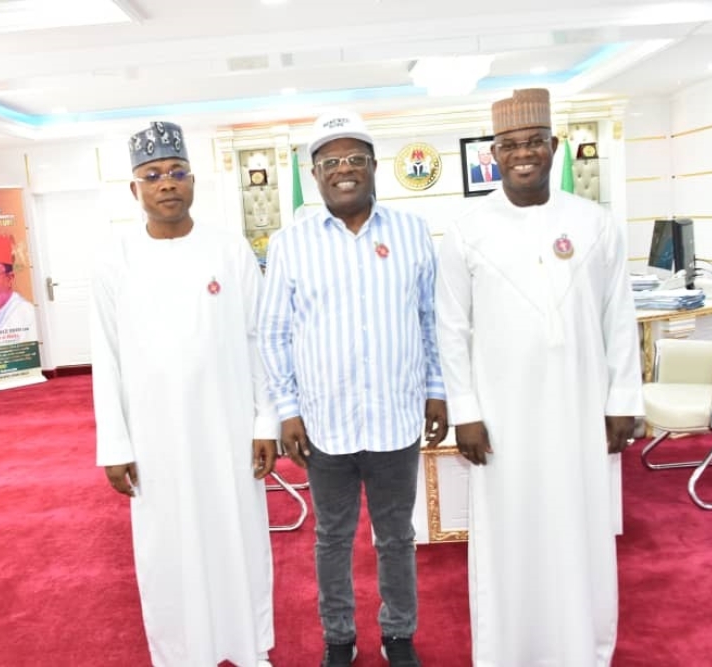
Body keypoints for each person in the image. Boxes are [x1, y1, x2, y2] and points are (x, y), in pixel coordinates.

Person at [433, 88, 643, 666]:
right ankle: (509, 650)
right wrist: (466, 414)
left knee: (581, 526)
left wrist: (622, 397)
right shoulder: (468, 230)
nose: (521, 154)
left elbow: (617, 316)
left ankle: (582, 650)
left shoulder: (595, 223)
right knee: (510, 534)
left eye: (532, 143)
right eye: (508, 146)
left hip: (580, 407)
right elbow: (452, 330)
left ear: (554, 147)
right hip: (502, 418)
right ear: (492, 154)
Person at [257, 110, 448, 667]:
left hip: (397, 415)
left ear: (373, 168)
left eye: (355, 160)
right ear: (315, 175)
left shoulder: (412, 232)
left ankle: (399, 635)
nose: (345, 170)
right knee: (332, 539)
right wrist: (288, 411)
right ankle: (338, 638)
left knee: (396, 538)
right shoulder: (290, 243)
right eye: (331, 162)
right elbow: (273, 333)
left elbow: (430, 318)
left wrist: (437, 391)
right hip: (324, 422)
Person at [89, 120, 279, 667]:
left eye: (176, 173)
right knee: (166, 549)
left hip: (227, 430)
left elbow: (257, 337)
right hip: (154, 439)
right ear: (135, 189)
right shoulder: (114, 259)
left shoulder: (228, 247)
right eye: (152, 176)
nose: (166, 184)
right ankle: (180, 656)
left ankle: (249, 649)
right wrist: (114, 446)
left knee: (238, 539)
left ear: (193, 181)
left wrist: (264, 422)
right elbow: (106, 355)